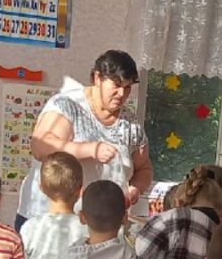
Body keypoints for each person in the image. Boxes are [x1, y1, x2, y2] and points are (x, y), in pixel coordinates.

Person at [23, 52, 151, 221]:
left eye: (128, 87)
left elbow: (144, 169)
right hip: (50, 221)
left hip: (100, 224)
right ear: (97, 78)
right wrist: (90, 149)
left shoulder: (131, 125)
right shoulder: (67, 105)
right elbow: (40, 147)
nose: (122, 93)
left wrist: (135, 189)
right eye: (117, 84)